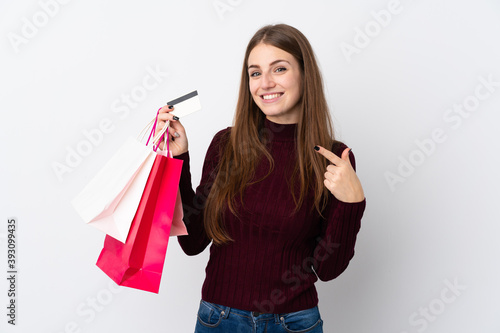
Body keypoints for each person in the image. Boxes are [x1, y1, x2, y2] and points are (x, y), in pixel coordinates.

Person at [155, 23, 366, 333]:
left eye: (279, 69)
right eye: (255, 73)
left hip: (294, 324)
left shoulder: (333, 157)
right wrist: (179, 160)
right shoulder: (226, 145)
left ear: (305, 75)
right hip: (218, 320)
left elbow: (328, 269)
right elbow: (193, 241)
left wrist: (352, 203)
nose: (265, 83)